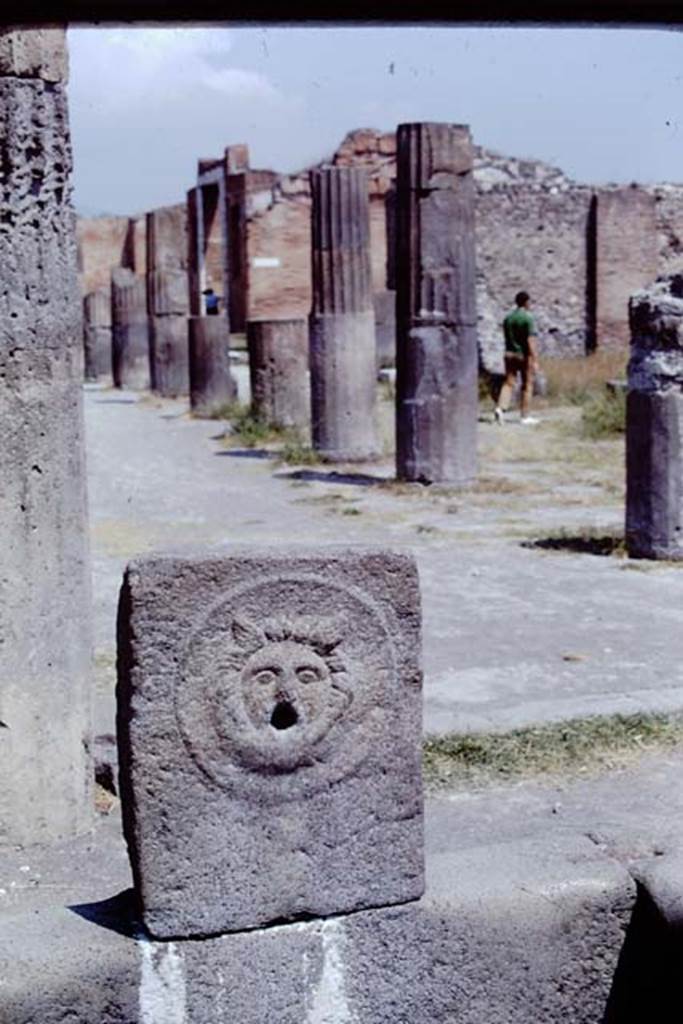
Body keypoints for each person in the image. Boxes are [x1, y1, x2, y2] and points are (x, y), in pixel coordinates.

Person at [493, 290, 540, 425]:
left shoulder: (508, 318)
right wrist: (534, 359)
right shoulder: (528, 318)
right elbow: (530, 340)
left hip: (509, 353)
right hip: (523, 355)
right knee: (527, 384)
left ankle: (500, 408)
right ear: (526, 302)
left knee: (508, 383)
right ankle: (525, 416)